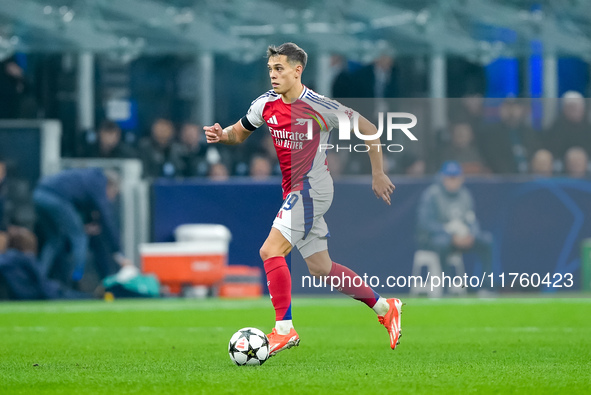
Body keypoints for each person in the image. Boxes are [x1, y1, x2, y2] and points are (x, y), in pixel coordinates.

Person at [204, 42, 402, 356]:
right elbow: (240, 132)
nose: (273, 74)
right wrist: (222, 133)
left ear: (298, 71)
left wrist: (378, 173)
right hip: (295, 191)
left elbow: (369, 129)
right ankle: (385, 307)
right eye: (270, 68)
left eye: (279, 68)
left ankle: (284, 329)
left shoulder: (321, 107)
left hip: (312, 189)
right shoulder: (265, 104)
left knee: (270, 250)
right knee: (321, 267)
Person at [33, 168, 131, 287]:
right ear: (111, 186)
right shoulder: (100, 182)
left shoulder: (89, 178)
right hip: (55, 197)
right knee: (79, 237)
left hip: (38, 194)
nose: (112, 198)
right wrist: (118, 252)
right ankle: (75, 279)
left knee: (55, 240)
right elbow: (107, 219)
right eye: (114, 193)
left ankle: (38, 278)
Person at [416, 161, 494, 291]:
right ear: (443, 178)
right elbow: (425, 224)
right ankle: (445, 288)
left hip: (462, 237)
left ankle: (486, 288)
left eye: (455, 178)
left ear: (461, 179)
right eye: (449, 178)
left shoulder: (465, 195)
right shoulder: (431, 195)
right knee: (443, 244)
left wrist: (471, 234)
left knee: (487, 241)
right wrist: (449, 234)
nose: (452, 181)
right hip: (435, 239)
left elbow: (472, 220)